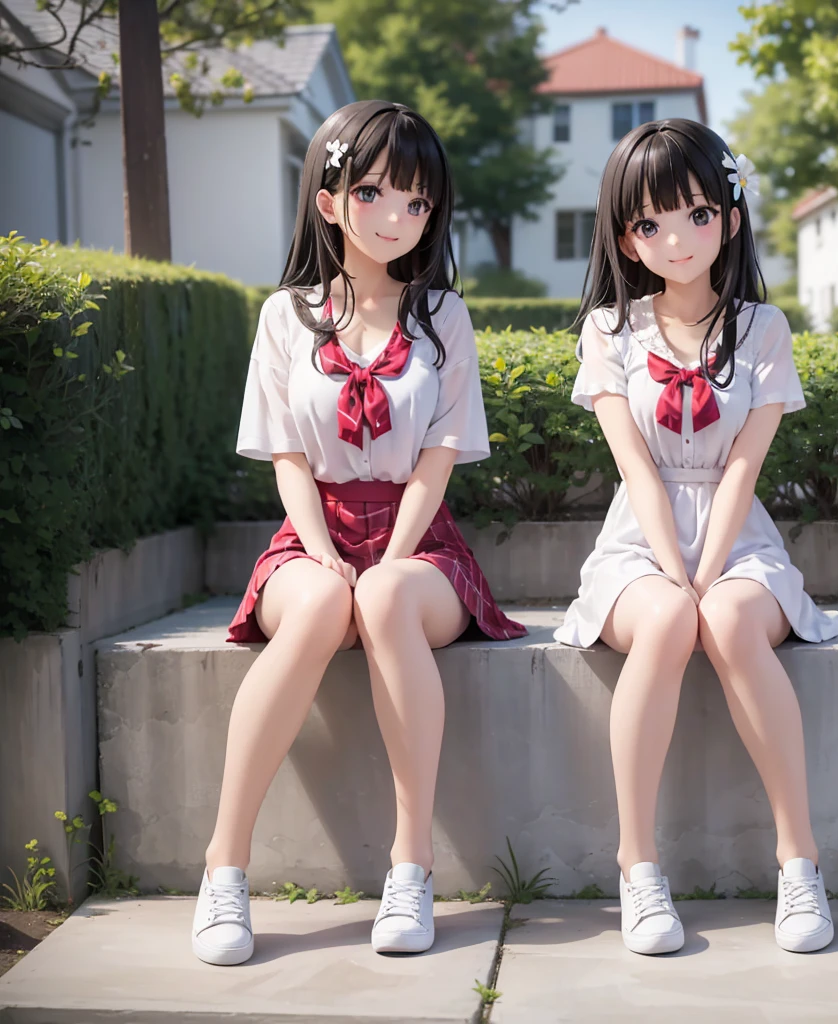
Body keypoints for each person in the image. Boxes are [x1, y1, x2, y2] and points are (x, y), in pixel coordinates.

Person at [193, 100, 524, 966]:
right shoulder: (285, 316)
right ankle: (223, 865)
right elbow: (289, 459)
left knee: (382, 592)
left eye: (417, 203)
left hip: (424, 540)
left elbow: (438, 460)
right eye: (375, 192)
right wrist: (324, 553)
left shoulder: (442, 315)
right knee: (315, 607)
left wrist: (394, 552)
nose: (397, 218)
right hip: (315, 527)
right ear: (329, 199)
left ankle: (408, 867)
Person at [554, 118, 838, 956]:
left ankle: (799, 861)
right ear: (625, 240)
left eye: (694, 214)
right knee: (674, 617)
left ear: (731, 214)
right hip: (638, 542)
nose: (676, 238)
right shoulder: (610, 332)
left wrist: (710, 568)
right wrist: (676, 572)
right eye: (649, 224)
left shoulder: (763, 329)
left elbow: (746, 468)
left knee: (723, 617)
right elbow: (637, 471)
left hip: (739, 537)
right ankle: (637, 865)